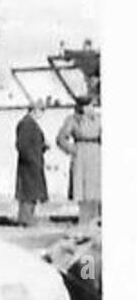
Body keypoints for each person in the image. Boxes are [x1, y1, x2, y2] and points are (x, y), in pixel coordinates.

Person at [57, 93, 102, 227]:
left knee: (96, 189)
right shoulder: (72, 120)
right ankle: (84, 222)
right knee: (83, 189)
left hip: (96, 154)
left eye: (92, 105)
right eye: (89, 106)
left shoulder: (98, 119)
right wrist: (73, 150)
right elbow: (61, 139)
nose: (92, 108)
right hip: (81, 155)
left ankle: (96, 221)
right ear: (82, 107)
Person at [14, 100, 48, 226]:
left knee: (32, 193)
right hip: (29, 164)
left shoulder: (31, 124)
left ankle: (28, 219)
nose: (42, 114)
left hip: (33, 162)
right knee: (27, 194)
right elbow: (22, 145)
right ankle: (25, 220)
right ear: (34, 110)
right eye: (41, 111)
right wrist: (31, 159)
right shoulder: (26, 124)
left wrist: (42, 146)